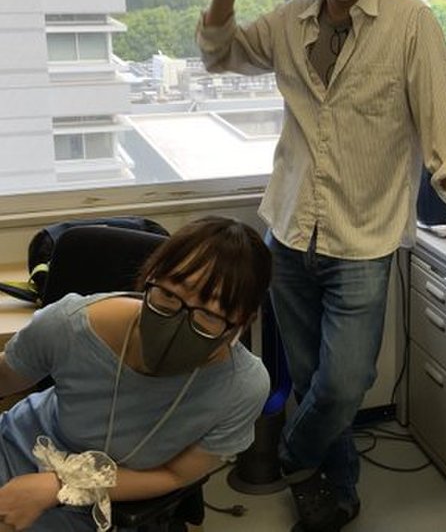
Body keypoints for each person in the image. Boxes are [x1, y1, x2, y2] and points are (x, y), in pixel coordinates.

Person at [198, 0, 446, 532]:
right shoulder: (287, 24)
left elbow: (441, 127)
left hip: (363, 241)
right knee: (312, 377)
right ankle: (333, 491)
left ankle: (290, 455)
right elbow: (219, 55)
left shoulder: (410, 23)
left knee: (344, 383)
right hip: (289, 232)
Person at [0, 216, 271, 531]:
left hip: (99, 501)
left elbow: (176, 475)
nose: (179, 320)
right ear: (150, 279)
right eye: (169, 295)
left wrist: (62, 484)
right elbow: (5, 378)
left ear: (241, 322)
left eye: (209, 314)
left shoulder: (241, 388)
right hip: (18, 445)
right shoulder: (71, 324)